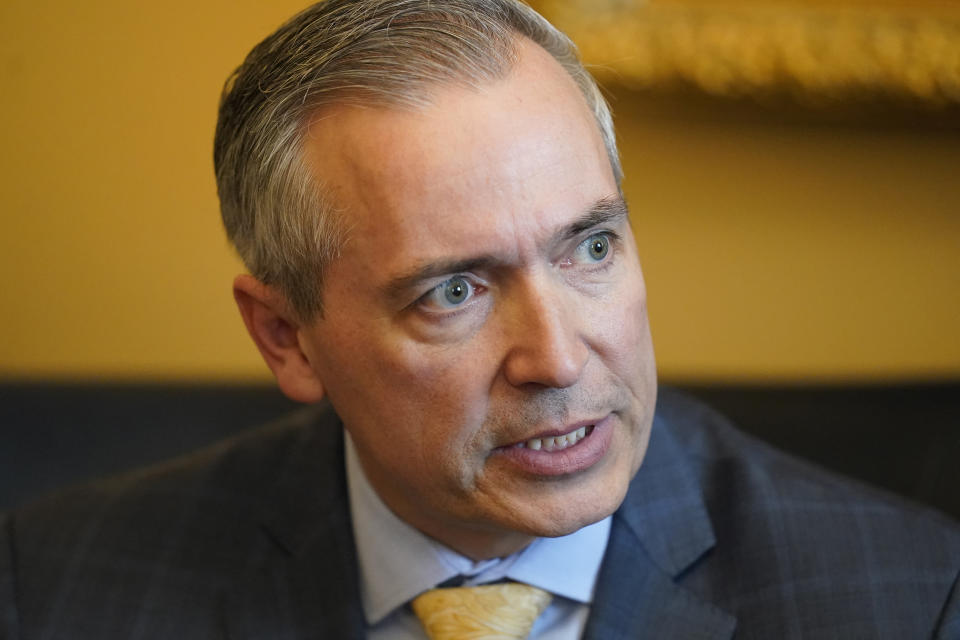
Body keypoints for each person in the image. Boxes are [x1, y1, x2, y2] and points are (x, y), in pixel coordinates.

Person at [2, 1, 958, 638]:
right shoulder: (56, 588)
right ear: (286, 337)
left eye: (590, 248)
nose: (557, 357)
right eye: (453, 291)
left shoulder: (909, 599)